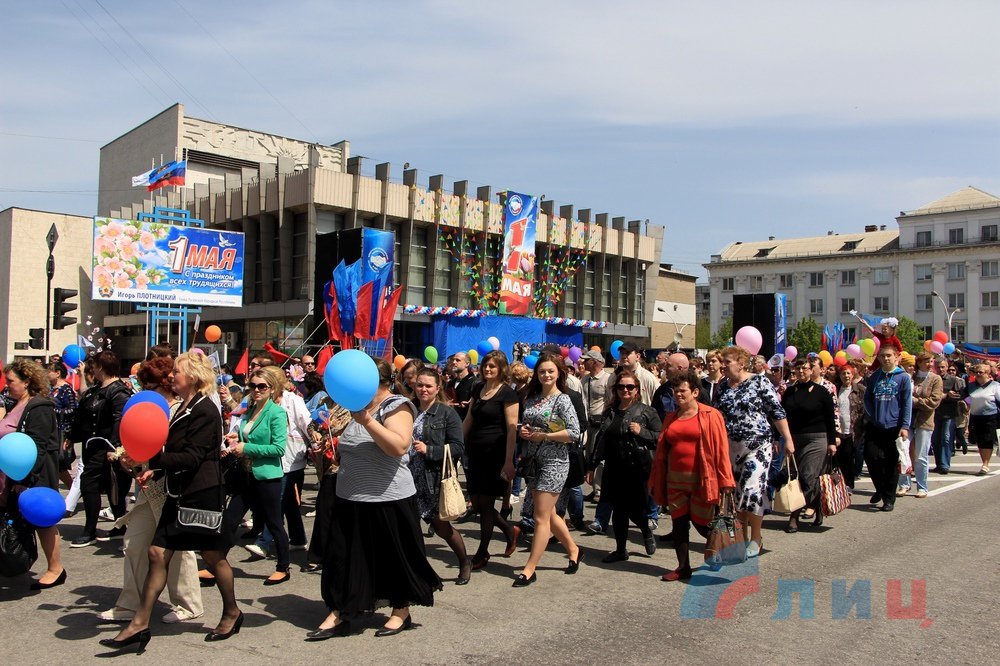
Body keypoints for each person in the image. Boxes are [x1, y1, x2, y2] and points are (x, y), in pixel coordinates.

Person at [99, 352, 237, 653]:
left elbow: (193, 456)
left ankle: (232, 611)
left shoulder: (205, 410)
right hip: (180, 491)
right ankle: (139, 623)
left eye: (177, 371)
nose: (171, 375)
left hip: (201, 494)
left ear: (194, 377)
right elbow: (176, 450)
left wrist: (150, 458)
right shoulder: (184, 406)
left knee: (213, 558)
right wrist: (155, 468)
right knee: (157, 552)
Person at [312, 356, 440, 640]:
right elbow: (352, 446)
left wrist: (368, 420)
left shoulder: (396, 406)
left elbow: (398, 446)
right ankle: (340, 610)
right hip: (349, 496)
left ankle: (400, 611)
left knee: (393, 557)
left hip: (388, 497)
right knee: (342, 558)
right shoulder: (354, 406)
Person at [97, 356, 203, 623]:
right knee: (133, 543)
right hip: (147, 489)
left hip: (173, 486)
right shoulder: (143, 407)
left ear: (164, 384)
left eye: (148, 385)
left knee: (179, 548)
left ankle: (188, 604)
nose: (142, 390)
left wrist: (149, 458)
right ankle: (129, 603)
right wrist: (127, 456)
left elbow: (182, 452)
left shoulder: (182, 410)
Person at [650, 370, 736, 580]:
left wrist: (725, 480)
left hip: (703, 479)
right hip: (675, 480)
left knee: (703, 522)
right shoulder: (671, 417)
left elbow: (721, 449)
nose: (678, 395)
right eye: (675, 391)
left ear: (695, 392)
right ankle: (683, 567)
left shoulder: (710, 415)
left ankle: (723, 550)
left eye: (682, 391)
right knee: (679, 524)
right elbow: (663, 451)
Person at [715, 346, 793, 553]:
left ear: (741, 363)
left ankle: (756, 538)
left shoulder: (759, 381)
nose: (722, 366)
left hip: (758, 445)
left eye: (727, 362)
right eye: (721, 362)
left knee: (751, 491)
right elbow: (716, 416)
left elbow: (776, 411)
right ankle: (743, 537)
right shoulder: (723, 386)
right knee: (739, 495)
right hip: (731, 447)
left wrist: (788, 439)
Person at [513, 352, 582, 587]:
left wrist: (545, 436)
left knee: (540, 516)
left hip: (555, 462)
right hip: (533, 460)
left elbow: (574, 432)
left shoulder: (562, 400)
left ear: (559, 373)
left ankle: (530, 568)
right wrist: (525, 432)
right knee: (549, 514)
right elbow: (529, 425)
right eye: (542, 371)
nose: (546, 375)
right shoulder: (531, 398)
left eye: (551, 371)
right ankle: (573, 549)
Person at [586, 368, 661, 563]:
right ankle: (620, 550)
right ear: (615, 389)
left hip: (637, 469)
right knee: (618, 511)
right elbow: (601, 439)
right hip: (614, 468)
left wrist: (641, 432)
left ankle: (645, 529)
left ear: (637, 389)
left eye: (630, 387)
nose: (625, 390)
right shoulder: (610, 412)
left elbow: (660, 438)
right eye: (621, 387)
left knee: (635, 510)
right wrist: (592, 465)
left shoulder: (647, 412)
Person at [2, 360, 65, 589]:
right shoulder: (17, 403)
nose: (7, 385)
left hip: (34, 476)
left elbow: (36, 447)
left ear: (27, 382)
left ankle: (55, 569)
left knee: (42, 520)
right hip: (14, 475)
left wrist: (24, 479)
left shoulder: (39, 407)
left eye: (11, 381)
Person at [225, 367, 291, 584]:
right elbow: (248, 434)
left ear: (272, 388)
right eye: (252, 386)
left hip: (267, 476)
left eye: (261, 386)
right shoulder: (251, 408)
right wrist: (237, 438)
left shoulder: (277, 412)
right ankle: (214, 563)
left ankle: (283, 567)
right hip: (246, 474)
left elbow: (278, 449)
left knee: (273, 523)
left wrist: (247, 447)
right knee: (229, 520)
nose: (256, 390)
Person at [409, 368, 470, 584]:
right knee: (409, 529)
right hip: (406, 479)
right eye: (419, 385)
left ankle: (464, 561)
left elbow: (458, 447)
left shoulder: (446, 413)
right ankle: (418, 573)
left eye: (428, 386)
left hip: (431, 479)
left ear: (437, 388)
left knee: (441, 527)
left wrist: (430, 450)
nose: (423, 389)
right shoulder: (408, 409)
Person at [462, 350, 521, 570]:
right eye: (486, 365)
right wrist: (456, 442)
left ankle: (482, 551)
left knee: (486, 505)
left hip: (495, 455)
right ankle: (508, 530)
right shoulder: (478, 388)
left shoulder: (508, 394)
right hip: (475, 453)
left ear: (501, 369)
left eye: (492, 366)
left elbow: (512, 430)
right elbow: (469, 419)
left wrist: (508, 461)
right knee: (476, 503)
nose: (487, 369)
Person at [248, 366, 312, 560]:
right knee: (290, 503)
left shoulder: (293, 400)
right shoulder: (260, 402)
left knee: (276, 503)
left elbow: (306, 422)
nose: (257, 389)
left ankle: (264, 542)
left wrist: (315, 440)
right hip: (272, 461)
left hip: (290, 459)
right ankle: (298, 539)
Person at [70, 350, 132, 547]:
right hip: (92, 445)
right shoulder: (97, 389)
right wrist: (72, 436)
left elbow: (119, 420)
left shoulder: (118, 391)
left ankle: (90, 530)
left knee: (94, 485)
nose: (92, 370)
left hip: (106, 447)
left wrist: (114, 446)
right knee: (110, 488)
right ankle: (119, 525)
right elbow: (84, 412)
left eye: (94, 366)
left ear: (102, 367)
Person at [781, 359, 838, 532]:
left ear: (812, 370)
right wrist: (779, 438)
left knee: (807, 475)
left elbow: (830, 418)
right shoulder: (790, 392)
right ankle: (817, 505)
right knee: (796, 477)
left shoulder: (822, 392)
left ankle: (794, 516)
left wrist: (832, 442)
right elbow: (781, 416)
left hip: (817, 438)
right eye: (797, 369)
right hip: (795, 438)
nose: (800, 372)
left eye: (804, 368)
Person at [863, 346, 912, 512]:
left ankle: (888, 498)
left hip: (894, 427)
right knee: (870, 457)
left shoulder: (903, 377)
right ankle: (880, 488)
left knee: (890, 463)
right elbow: (867, 399)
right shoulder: (874, 377)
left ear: (896, 357)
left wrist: (905, 426)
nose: (885, 359)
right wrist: (872, 416)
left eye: (889, 355)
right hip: (875, 425)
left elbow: (907, 403)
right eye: (882, 356)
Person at [898, 352, 942, 498]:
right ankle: (904, 484)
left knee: (921, 455)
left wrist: (916, 401)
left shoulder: (936, 379)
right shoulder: (910, 377)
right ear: (919, 363)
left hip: (924, 420)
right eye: (927, 361)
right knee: (902, 451)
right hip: (907, 420)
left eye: (931, 362)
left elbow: (934, 401)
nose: (930, 364)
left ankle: (922, 486)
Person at [581, 350, 612, 503]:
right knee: (589, 455)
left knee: (598, 456)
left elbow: (611, 400)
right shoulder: (585, 379)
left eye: (587, 360)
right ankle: (594, 488)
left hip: (601, 422)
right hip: (588, 423)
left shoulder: (607, 379)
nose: (583, 363)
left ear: (594, 362)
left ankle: (599, 490)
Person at [45, 356, 78, 490]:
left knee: (58, 464)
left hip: (62, 431)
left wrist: (54, 410)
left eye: (49, 371)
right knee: (53, 464)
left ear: (58, 373)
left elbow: (73, 409)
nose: (46, 374)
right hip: (51, 429)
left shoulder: (66, 389)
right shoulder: (50, 389)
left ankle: (73, 490)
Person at [835, 362, 867, 489]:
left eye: (848, 373)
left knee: (851, 457)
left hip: (854, 430)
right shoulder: (835, 389)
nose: (846, 376)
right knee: (841, 458)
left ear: (853, 375)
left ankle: (849, 484)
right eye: (843, 373)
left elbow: (865, 409)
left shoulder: (860, 389)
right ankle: (842, 484)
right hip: (839, 430)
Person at [931, 358, 964, 474]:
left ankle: (944, 465)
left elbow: (959, 396)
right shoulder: (932, 379)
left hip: (949, 413)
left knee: (946, 438)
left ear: (946, 367)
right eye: (938, 367)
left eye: (943, 367)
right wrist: (945, 395)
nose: (941, 369)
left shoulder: (953, 380)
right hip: (934, 413)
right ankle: (939, 464)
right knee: (935, 440)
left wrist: (949, 396)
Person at [966, 363, 1000, 475]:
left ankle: (986, 463)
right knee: (980, 440)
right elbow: (964, 396)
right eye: (976, 372)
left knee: (988, 440)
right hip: (976, 416)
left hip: (991, 416)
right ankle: (984, 461)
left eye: (981, 372)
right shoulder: (971, 386)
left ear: (987, 373)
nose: (978, 374)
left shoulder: (995, 386)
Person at [446, 352, 478, 420]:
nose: (454, 362)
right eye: (453, 360)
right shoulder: (450, 383)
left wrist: (471, 404)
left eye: (458, 360)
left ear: (467, 364)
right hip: (450, 422)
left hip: (466, 423)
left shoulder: (475, 382)